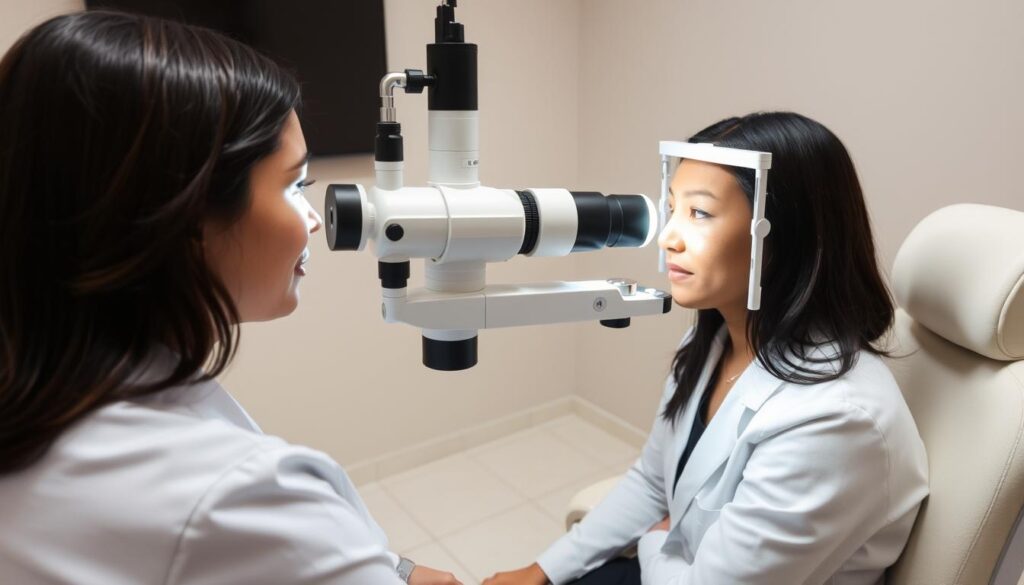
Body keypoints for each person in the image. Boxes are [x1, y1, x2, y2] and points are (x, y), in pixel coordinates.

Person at [0, 11, 460, 585]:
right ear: (185, 214)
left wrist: (396, 569)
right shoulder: (239, 500)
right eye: (295, 185)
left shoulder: (49, 391)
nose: (315, 220)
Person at [484, 112, 929, 585]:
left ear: (785, 234)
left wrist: (654, 542)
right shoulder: (715, 340)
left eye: (699, 213)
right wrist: (541, 571)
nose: (669, 237)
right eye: (672, 208)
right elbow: (654, 481)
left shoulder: (837, 422)